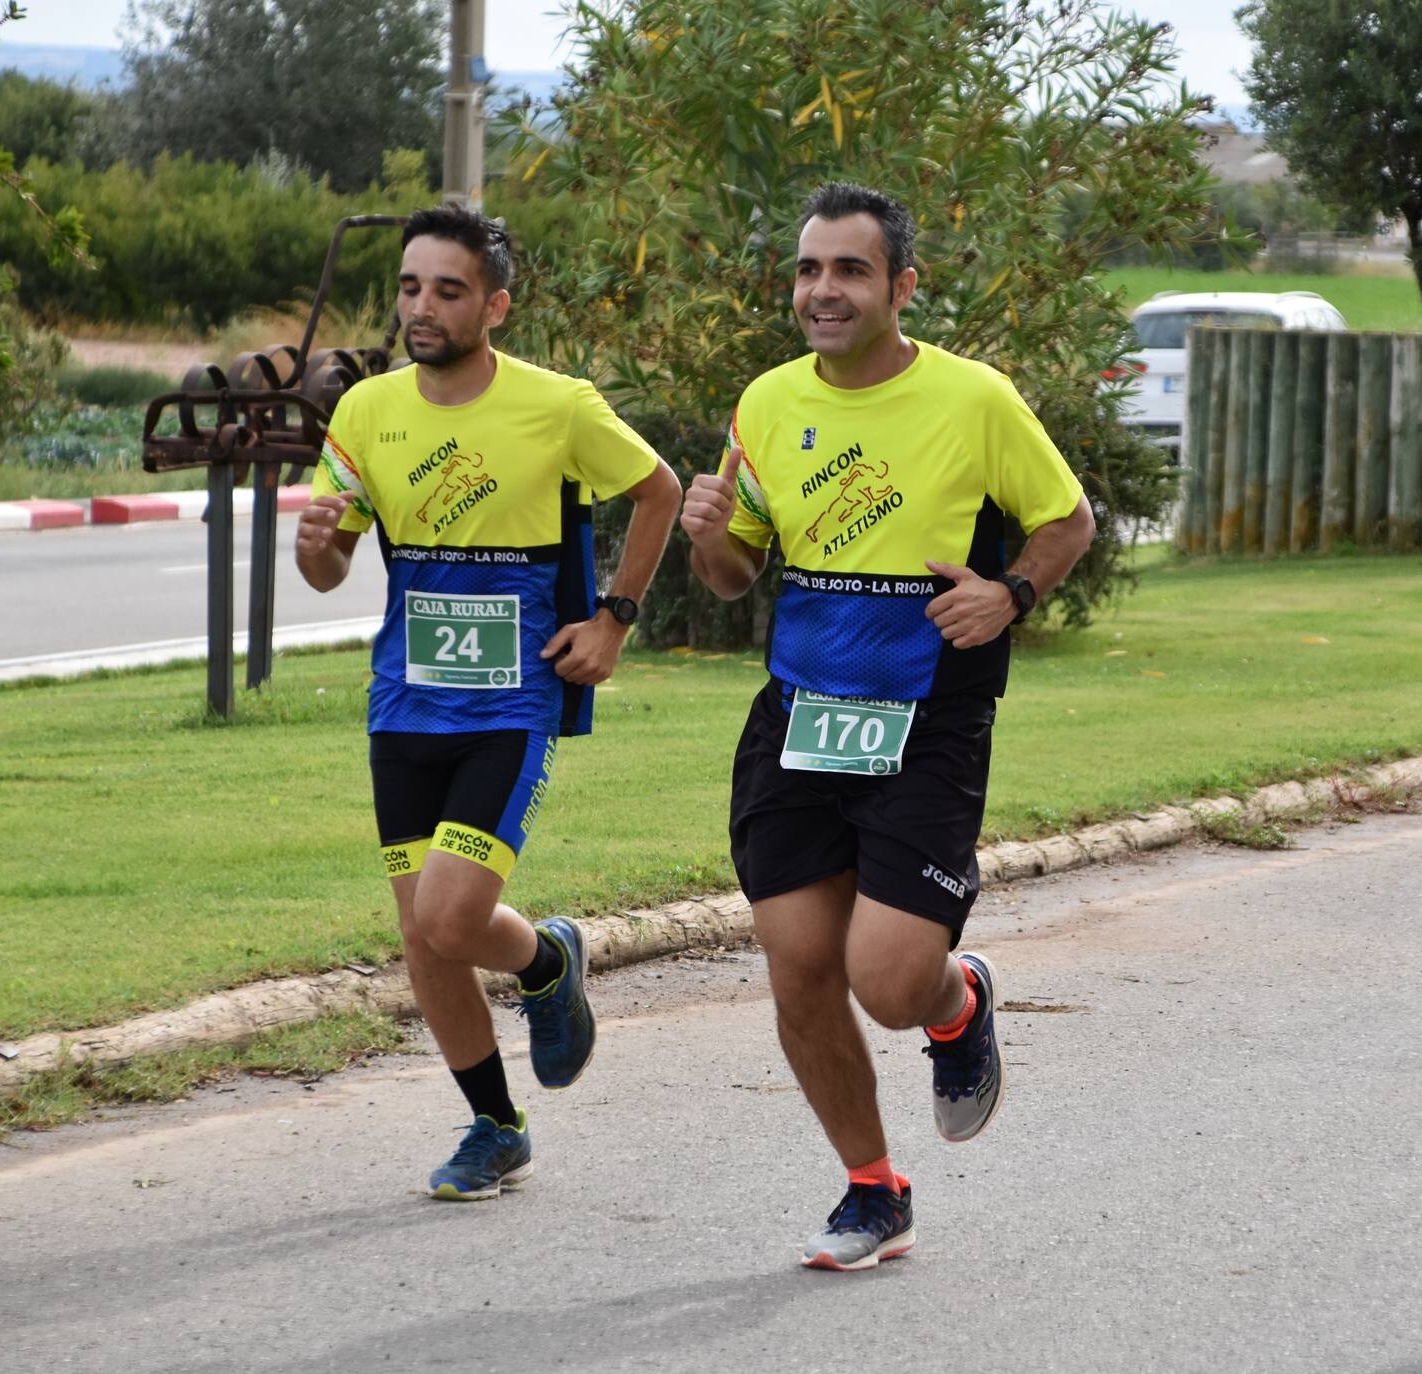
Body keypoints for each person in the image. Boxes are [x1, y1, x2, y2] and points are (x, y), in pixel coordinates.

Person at [681, 182, 1096, 1270]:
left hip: (928, 717)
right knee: (800, 965)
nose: (825, 289)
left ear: (900, 288)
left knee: (889, 977)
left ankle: (956, 1008)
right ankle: (873, 1188)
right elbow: (736, 577)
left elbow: (1069, 519)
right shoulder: (767, 403)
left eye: (851, 270)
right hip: (800, 717)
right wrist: (710, 536)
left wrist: (1012, 593)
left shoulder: (974, 401)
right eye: (811, 269)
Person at [295, 204, 682, 1200]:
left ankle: (547, 961)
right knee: (425, 937)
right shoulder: (367, 411)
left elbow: (659, 491)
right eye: (411, 287)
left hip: (513, 698)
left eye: (449, 290)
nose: (423, 307)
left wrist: (613, 619)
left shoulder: (557, 407)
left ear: (495, 305)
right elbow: (332, 568)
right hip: (403, 701)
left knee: (453, 912)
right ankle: (494, 1126)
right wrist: (317, 545)